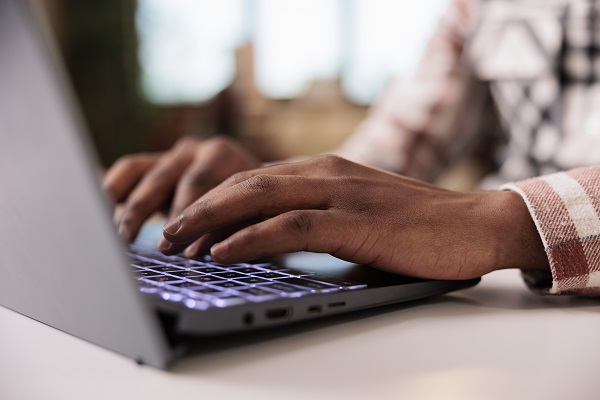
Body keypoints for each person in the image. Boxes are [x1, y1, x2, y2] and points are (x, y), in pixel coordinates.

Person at [104, 0, 600, 296]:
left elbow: (487, 220)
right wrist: (275, 189)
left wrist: (505, 222)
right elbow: (403, 139)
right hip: (502, 298)